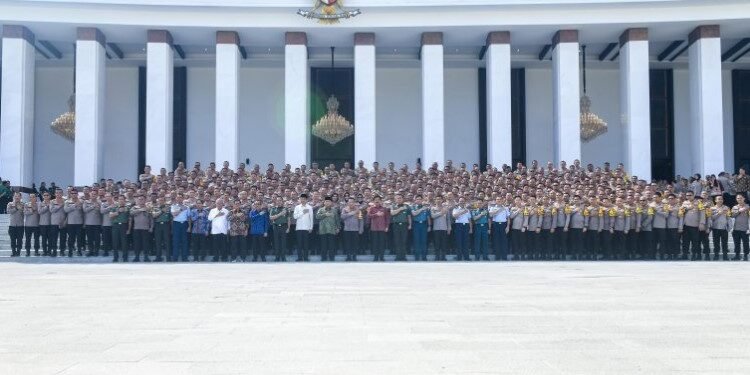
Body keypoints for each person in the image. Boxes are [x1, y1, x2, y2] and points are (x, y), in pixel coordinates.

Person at [130, 195, 153, 262]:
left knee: (146, 243)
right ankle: (137, 257)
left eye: (142, 199)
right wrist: (140, 210)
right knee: (137, 243)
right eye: (139, 199)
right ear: (137, 200)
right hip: (136, 228)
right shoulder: (134, 207)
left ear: (145, 200)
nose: (141, 200)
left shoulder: (148, 208)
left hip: (145, 228)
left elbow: (151, 218)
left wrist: (151, 227)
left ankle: (146, 257)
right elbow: (131, 213)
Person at [316, 196, 340, 261]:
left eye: (329, 201)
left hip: (332, 230)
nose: (327, 202)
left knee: (331, 245)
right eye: (326, 201)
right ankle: (323, 257)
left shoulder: (334, 210)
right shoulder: (321, 209)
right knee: (323, 245)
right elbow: (317, 217)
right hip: (323, 230)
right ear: (324, 202)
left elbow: (337, 219)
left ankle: (331, 257)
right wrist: (325, 214)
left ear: (331, 203)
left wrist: (338, 227)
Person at [367, 195, 389, 261]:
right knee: (375, 243)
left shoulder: (384, 209)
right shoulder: (371, 208)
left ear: (380, 201)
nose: (377, 201)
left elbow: (387, 218)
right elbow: (369, 216)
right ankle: (376, 257)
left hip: (382, 228)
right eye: (376, 200)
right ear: (373, 201)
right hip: (374, 228)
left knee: (382, 243)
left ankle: (382, 257)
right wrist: (376, 214)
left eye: (378, 200)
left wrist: (387, 226)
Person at [341, 197, 363, 261]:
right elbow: (342, 217)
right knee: (348, 244)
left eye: (352, 202)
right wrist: (351, 213)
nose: (351, 203)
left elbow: (361, 220)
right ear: (347, 203)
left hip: (355, 230)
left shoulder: (358, 210)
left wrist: (361, 229)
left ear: (354, 203)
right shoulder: (344, 209)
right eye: (349, 202)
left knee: (355, 244)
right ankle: (348, 256)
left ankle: (354, 256)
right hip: (347, 229)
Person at [390, 194, 411, 261]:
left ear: (403, 199)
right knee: (397, 241)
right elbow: (392, 213)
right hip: (396, 225)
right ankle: (398, 256)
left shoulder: (407, 206)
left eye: (400, 198)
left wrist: (410, 224)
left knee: (404, 241)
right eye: (397, 198)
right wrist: (400, 209)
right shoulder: (393, 206)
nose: (399, 199)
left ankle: (403, 256)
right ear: (395, 199)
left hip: (404, 225)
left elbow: (409, 216)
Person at [293, 194, 314, 262]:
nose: (302, 200)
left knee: (306, 244)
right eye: (301, 199)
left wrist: (311, 227)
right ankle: (299, 258)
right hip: (299, 228)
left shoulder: (309, 207)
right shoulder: (297, 207)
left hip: (306, 228)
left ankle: (306, 257)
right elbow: (295, 217)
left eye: (304, 199)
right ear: (299, 199)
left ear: (306, 199)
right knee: (299, 244)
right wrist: (303, 212)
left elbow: (311, 218)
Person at [269, 196, 290, 262]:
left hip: (284, 226)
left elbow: (288, 219)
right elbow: (271, 218)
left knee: (283, 242)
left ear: (282, 201)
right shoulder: (273, 209)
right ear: (275, 201)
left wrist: (288, 228)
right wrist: (280, 214)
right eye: (277, 200)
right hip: (276, 226)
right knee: (276, 242)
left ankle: (283, 257)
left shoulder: (286, 209)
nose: (278, 202)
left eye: (280, 200)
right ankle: (277, 257)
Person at [64, 190, 84, 257]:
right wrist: (75, 205)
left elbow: (83, 211)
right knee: (71, 238)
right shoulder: (67, 201)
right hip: (70, 223)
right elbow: (66, 210)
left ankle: (79, 251)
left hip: (79, 222)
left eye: (75, 193)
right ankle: (70, 251)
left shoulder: (81, 201)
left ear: (77, 194)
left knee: (79, 238)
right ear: (70, 194)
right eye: (72, 193)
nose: (74, 194)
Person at [151, 196, 171, 262]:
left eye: (162, 200)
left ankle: (168, 257)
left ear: (164, 201)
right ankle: (158, 257)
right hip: (158, 225)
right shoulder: (155, 208)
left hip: (166, 225)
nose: (161, 201)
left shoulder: (168, 208)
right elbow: (154, 215)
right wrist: (161, 211)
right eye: (159, 200)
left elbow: (171, 217)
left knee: (167, 242)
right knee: (158, 242)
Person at [488, 196, 509, 261]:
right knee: (496, 241)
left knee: (504, 241)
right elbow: (491, 215)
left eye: (500, 199)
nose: (499, 200)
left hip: (503, 225)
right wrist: (499, 210)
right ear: (495, 201)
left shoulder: (506, 208)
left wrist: (508, 226)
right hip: (495, 224)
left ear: (502, 200)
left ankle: (504, 256)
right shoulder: (492, 208)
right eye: (497, 199)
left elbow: (508, 218)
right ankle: (497, 256)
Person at [171, 194, 190, 262]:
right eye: (178, 198)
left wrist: (189, 227)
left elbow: (188, 217)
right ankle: (175, 258)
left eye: (181, 198)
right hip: (176, 224)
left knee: (184, 241)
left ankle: (184, 257)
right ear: (176, 199)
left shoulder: (187, 207)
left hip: (184, 224)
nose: (179, 199)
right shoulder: (174, 206)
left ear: (182, 198)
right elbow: (174, 214)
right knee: (176, 241)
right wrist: (181, 209)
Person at [430, 196, 450, 261]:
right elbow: (433, 216)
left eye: (440, 199)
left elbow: (448, 219)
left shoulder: (446, 209)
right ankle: (437, 257)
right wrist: (441, 213)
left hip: (444, 228)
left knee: (444, 244)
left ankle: (443, 257)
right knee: (437, 243)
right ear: (435, 200)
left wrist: (449, 228)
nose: (438, 200)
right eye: (437, 199)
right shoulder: (433, 208)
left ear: (442, 200)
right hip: (436, 228)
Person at [411, 194, 430, 261]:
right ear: (415, 200)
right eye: (417, 199)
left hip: (424, 225)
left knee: (424, 241)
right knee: (416, 241)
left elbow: (428, 217)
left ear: (422, 200)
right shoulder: (413, 207)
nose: (419, 200)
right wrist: (422, 209)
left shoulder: (426, 208)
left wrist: (429, 226)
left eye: (420, 199)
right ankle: (417, 256)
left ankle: (424, 256)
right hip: (416, 224)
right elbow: (414, 214)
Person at [730, 194, 749, 261]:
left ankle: (746, 256)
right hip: (735, 228)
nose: (739, 199)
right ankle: (737, 255)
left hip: (745, 229)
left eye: (741, 198)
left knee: (746, 243)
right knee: (736, 243)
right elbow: (732, 215)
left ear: (744, 198)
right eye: (738, 198)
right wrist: (739, 211)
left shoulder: (748, 207)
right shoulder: (734, 207)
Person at [7, 192, 24, 257]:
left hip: (20, 225)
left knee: (20, 240)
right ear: (13, 197)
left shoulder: (23, 204)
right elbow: (8, 211)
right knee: (13, 240)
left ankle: (18, 252)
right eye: (15, 196)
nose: (17, 197)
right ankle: (13, 252)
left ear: (20, 197)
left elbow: (25, 213)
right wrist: (16, 208)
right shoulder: (10, 204)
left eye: (18, 196)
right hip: (12, 225)